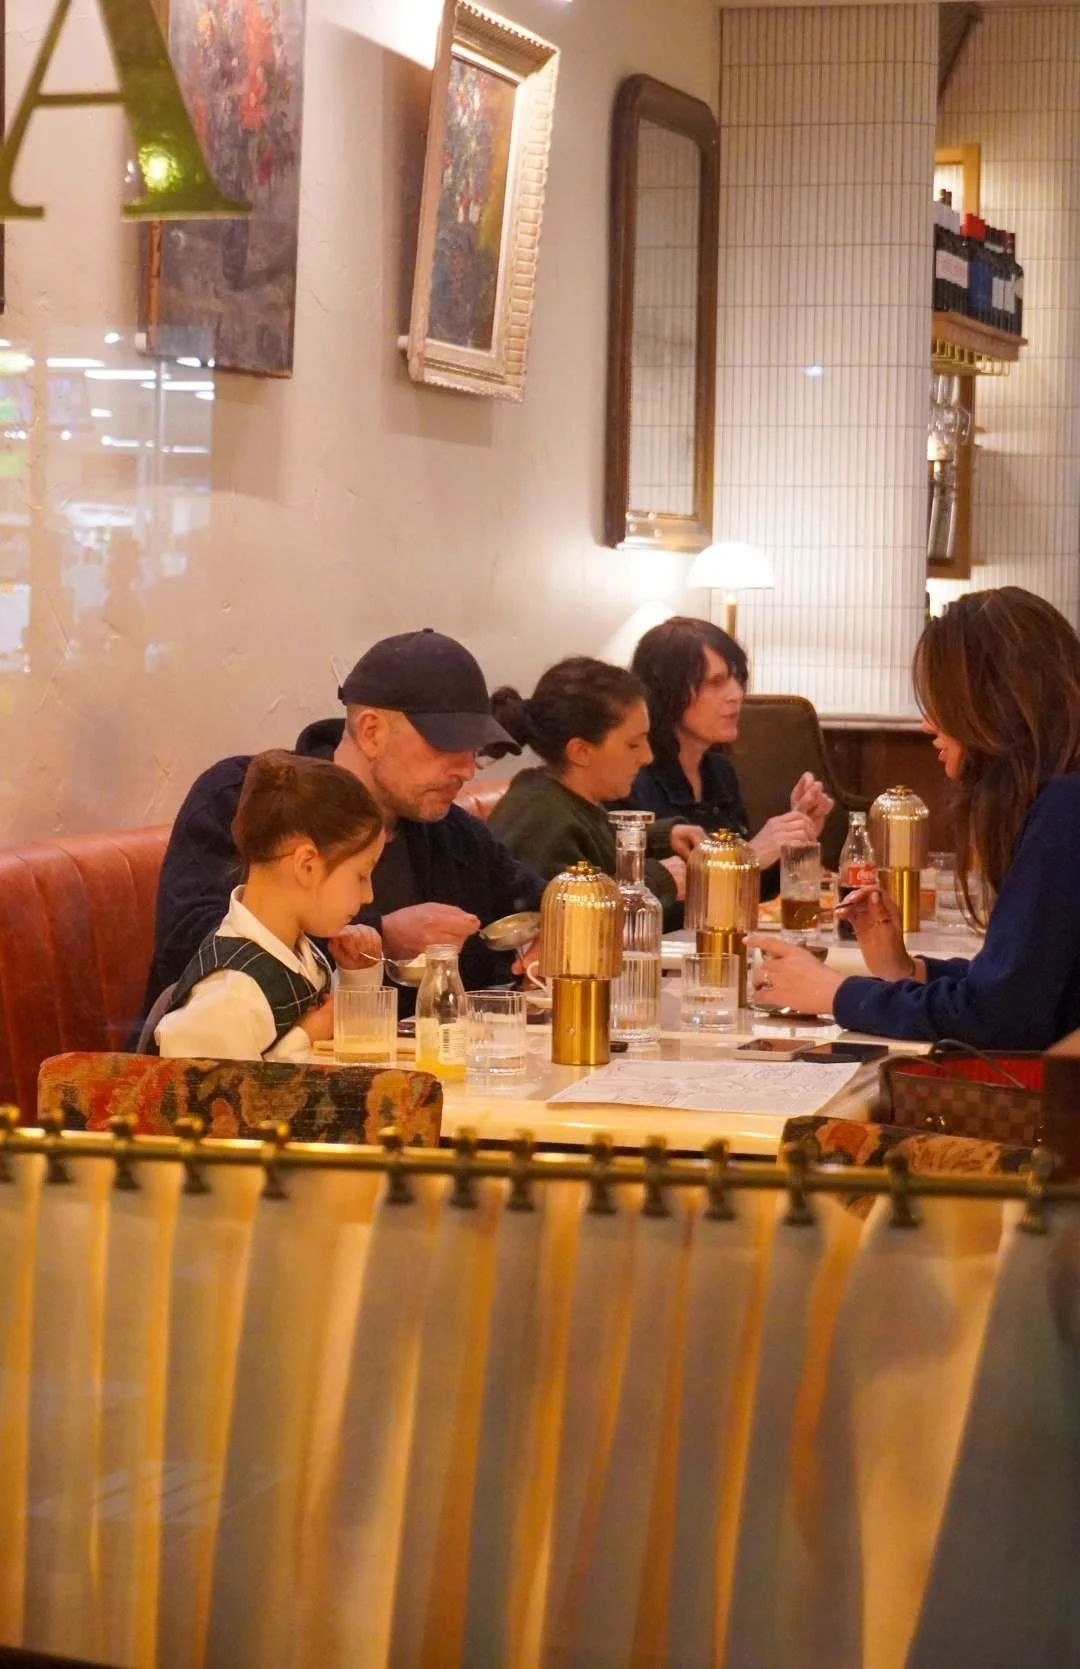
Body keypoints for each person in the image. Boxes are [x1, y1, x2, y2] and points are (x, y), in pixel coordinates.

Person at [139, 629, 544, 1021]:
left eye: (472, 750)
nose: (466, 770)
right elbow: (189, 948)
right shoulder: (245, 798)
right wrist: (378, 935)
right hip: (242, 1073)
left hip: (412, 1074)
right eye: (446, 746)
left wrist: (549, 937)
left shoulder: (451, 834)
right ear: (371, 732)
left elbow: (534, 902)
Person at [748, 587, 1080, 1049]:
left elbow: (1001, 1019)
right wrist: (909, 971)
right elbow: (1029, 987)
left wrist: (834, 993)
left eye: (939, 701)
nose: (927, 723)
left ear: (988, 703)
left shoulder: (1064, 810)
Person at [151, 751, 384, 1061]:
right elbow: (209, 1098)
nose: (368, 895)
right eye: (361, 875)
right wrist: (306, 1036)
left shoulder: (295, 950)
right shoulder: (230, 993)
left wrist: (355, 978)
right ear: (307, 866)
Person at [486, 657, 706, 929]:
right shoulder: (541, 818)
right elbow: (570, 920)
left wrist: (662, 837)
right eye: (633, 744)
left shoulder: (567, 799)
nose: (647, 756)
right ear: (581, 751)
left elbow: (598, 845)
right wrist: (658, 879)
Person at [628, 616, 834, 895]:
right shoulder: (631, 778)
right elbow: (655, 904)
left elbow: (747, 892)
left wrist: (792, 841)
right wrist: (747, 856)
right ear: (668, 692)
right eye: (715, 682)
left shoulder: (719, 771)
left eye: (738, 679)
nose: (736, 694)